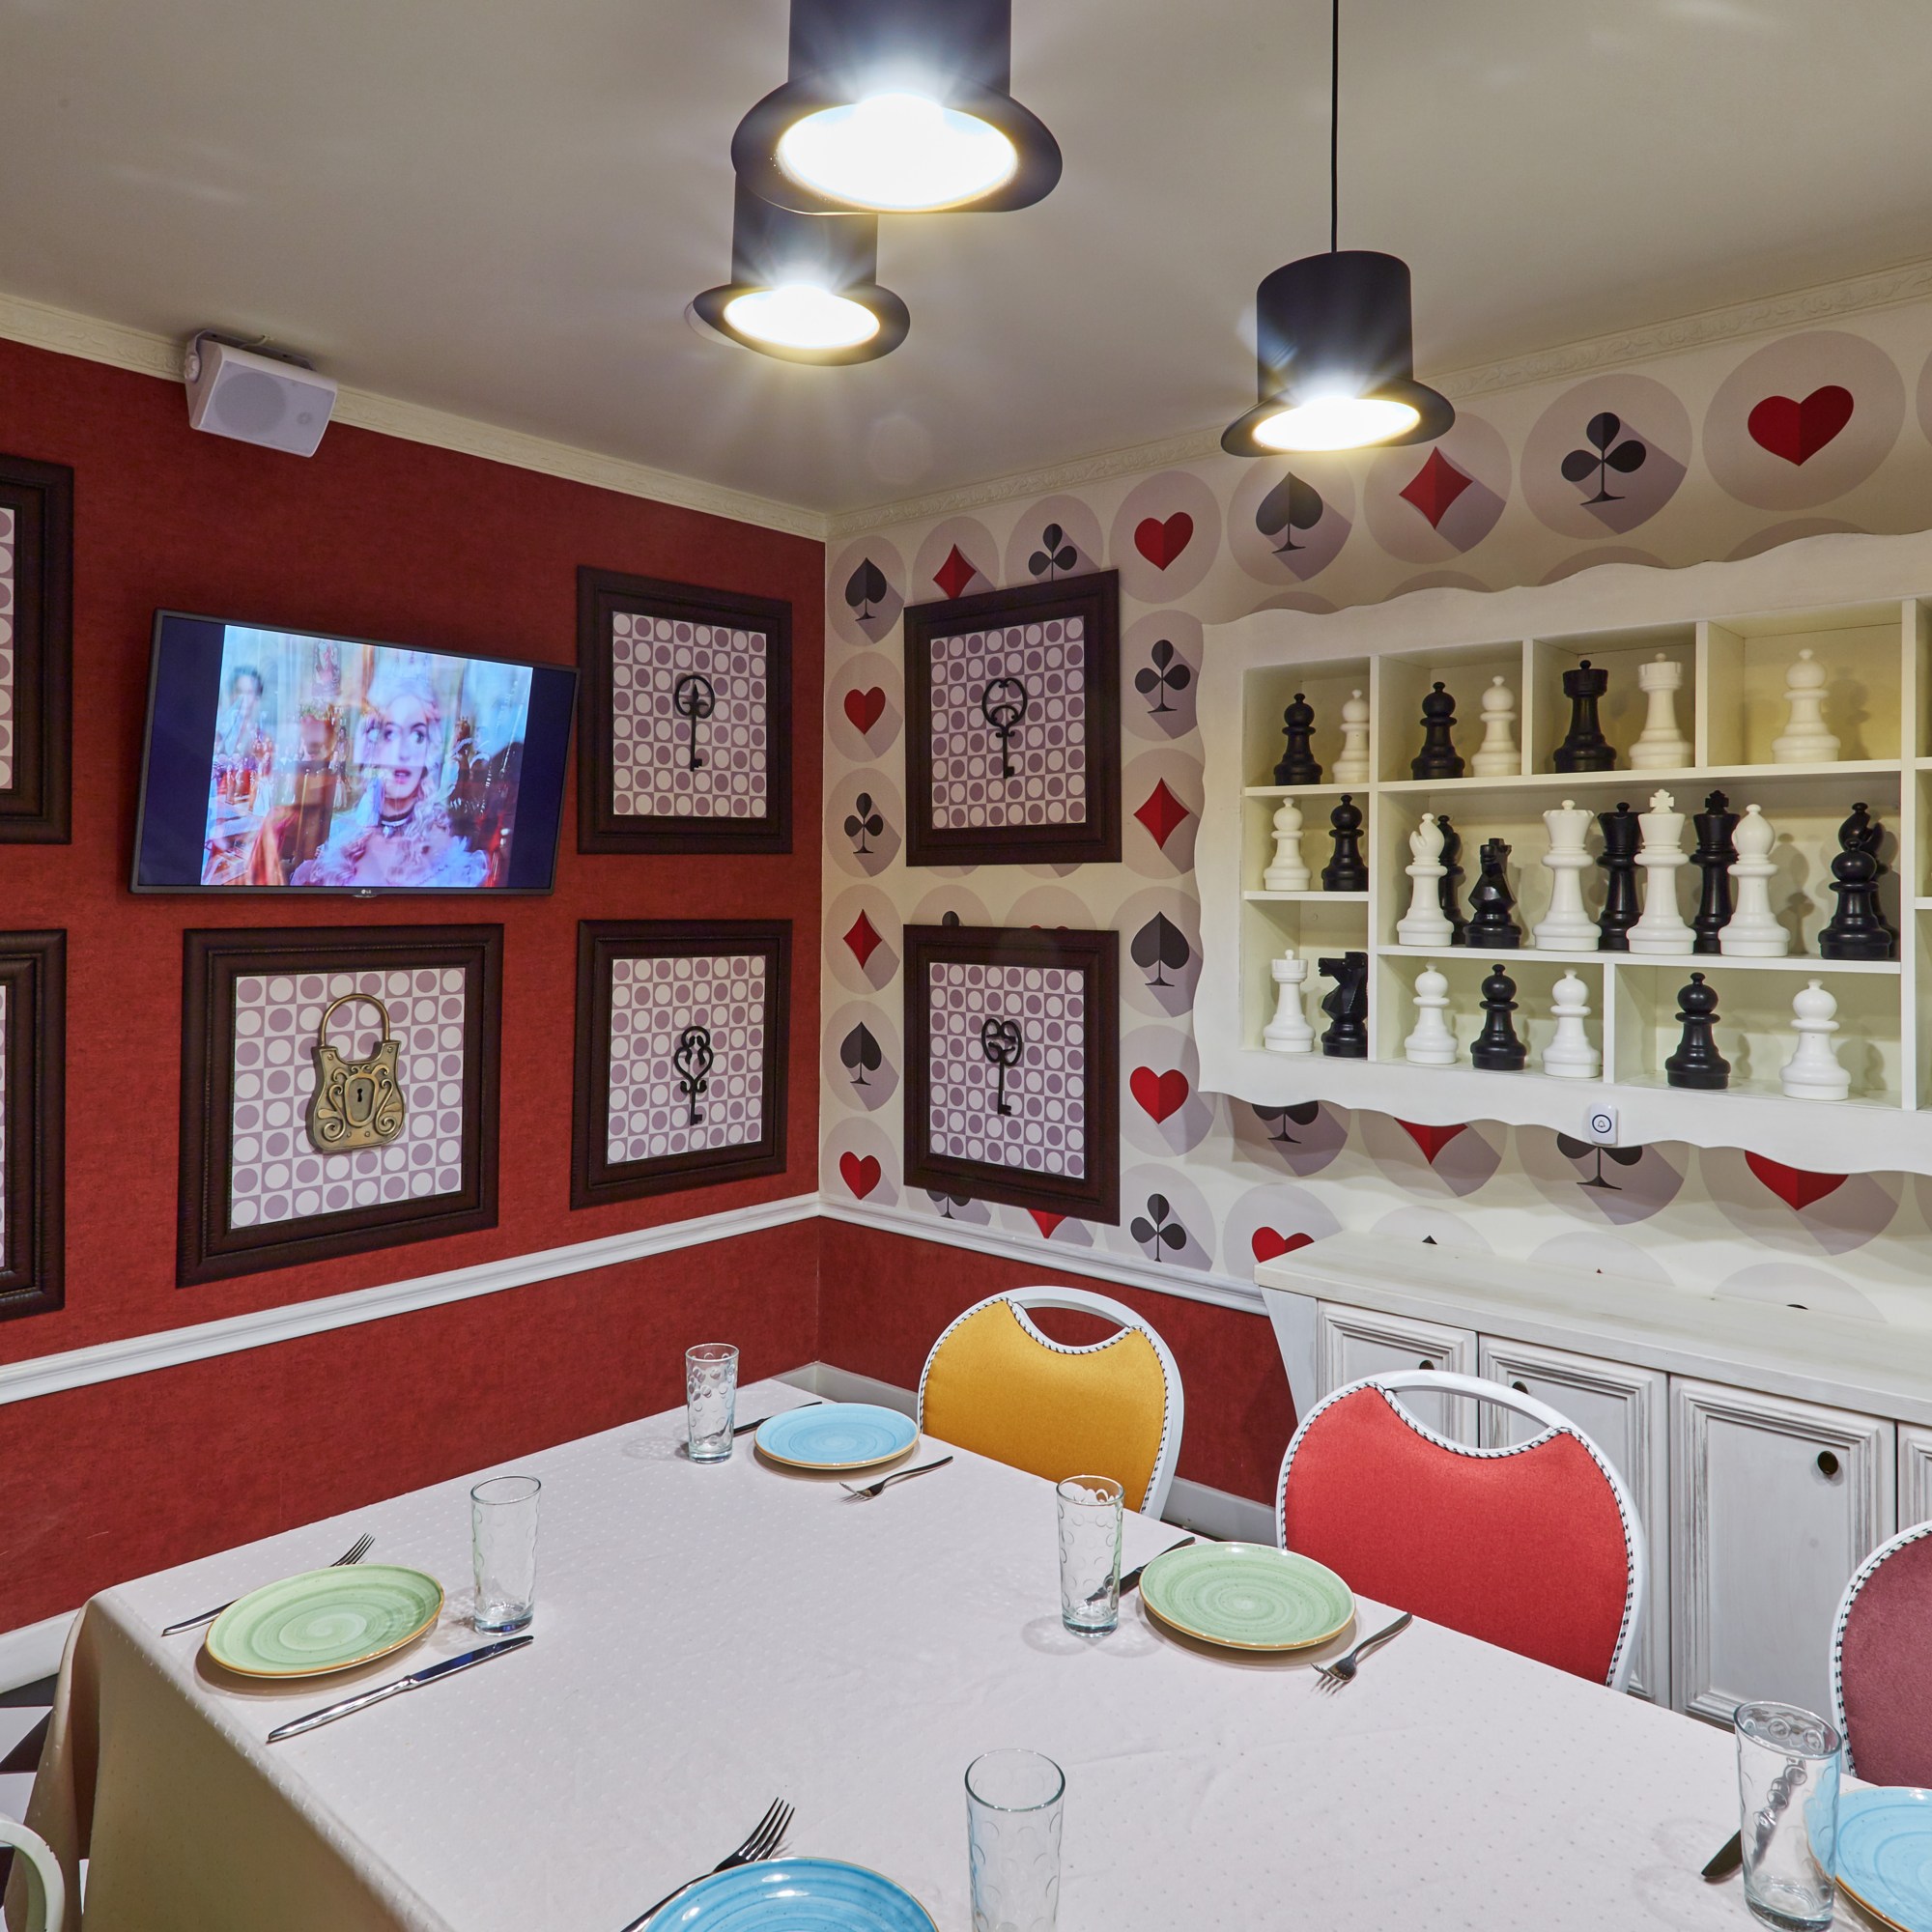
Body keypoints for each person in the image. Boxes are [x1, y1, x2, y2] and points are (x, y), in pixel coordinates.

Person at [291, 663, 489, 887]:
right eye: (391, 733)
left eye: (417, 735)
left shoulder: (444, 855)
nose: (402, 752)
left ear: (429, 749)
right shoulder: (349, 838)